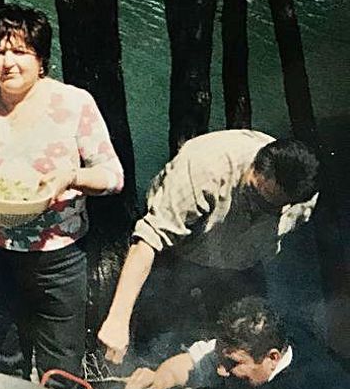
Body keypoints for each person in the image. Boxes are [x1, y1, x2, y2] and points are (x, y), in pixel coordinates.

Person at [0, 3, 124, 386]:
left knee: (62, 371)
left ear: (41, 59)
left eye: (19, 51)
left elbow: (113, 175)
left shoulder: (73, 104)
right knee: (6, 361)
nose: (8, 62)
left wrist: (72, 177)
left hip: (59, 259)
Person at [98, 132, 319, 363]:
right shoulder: (204, 167)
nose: (258, 207)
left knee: (243, 346)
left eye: (270, 206)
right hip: (178, 258)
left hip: (242, 267)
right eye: (254, 194)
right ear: (253, 166)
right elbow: (148, 240)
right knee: (154, 340)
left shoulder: (304, 196)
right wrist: (117, 320)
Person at [120, 296, 350, 389]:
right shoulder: (260, 340)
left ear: (272, 358)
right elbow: (190, 363)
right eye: (221, 358)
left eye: (233, 364)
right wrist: (160, 379)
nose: (220, 370)